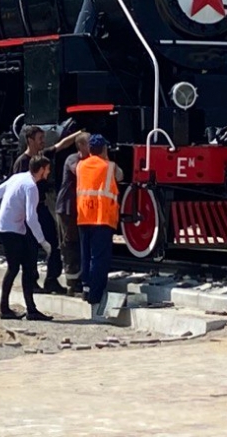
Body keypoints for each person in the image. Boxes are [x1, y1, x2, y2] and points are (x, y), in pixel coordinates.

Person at [0, 155, 53, 321]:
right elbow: (31, 217)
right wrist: (43, 241)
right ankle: (6, 308)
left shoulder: (19, 177)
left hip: (9, 228)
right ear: (41, 170)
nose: (49, 172)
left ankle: (30, 309)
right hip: (11, 230)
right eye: (47, 169)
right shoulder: (32, 187)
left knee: (25, 267)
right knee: (15, 268)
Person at [13, 124, 82, 293]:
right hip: (28, 209)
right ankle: (31, 281)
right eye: (40, 139)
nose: (43, 142)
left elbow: (61, 145)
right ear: (30, 140)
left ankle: (52, 279)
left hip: (41, 207)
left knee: (53, 242)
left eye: (43, 139)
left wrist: (79, 133)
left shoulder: (43, 156)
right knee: (31, 247)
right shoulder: (22, 162)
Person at [77, 135, 120, 320]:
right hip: (102, 218)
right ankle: (95, 298)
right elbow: (121, 176)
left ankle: (86, 289)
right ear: (104, 149)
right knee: (99, 260)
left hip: (84, 216)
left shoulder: (80, 166)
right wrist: (107, 158)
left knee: (86, 256)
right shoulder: (109, 167)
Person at [56, 131, 91, 294]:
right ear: (81, 145)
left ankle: (79, 277)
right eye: (90, 143)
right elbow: (80, 172)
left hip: (79, 207)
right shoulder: (73, 159)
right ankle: (72, 281)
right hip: (67, 207)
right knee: (70, 243)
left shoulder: (88, 160)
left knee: (78, 242)